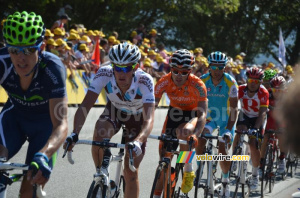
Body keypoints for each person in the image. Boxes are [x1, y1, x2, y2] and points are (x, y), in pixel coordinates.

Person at [64, 42, 155, 198]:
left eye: (126, 68)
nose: (121, 73)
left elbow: (149, 119)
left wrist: (139, 141)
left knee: (130, 173)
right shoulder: (104, 73)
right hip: (115, 111)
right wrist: (74, 133)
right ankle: (102, 175)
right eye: (117, 67)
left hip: (138, 119)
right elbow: (85, 105)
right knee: (99, 131)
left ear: (135, 67)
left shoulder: (145, 80)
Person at [0, 11, 68, 197]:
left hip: (45, 125)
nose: (21, 58)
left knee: (29, 187)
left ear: (41, 47)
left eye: (29, 50)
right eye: (14, 50)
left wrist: (44, 154)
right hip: (14, 117)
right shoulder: (2, 62)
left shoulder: (53, 69)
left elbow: (61, 124)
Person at [154, 49, 208, 196]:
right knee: (164, 159)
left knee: (185, 133)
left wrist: (196, 134)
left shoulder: (198, 84)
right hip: (174, 113)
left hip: (192, 113)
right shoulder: (164, 81)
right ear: (170, 68)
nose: (179, 75)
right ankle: (158, 192)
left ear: (190, 71)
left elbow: (202, 113)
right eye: (175, 71)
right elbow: (151, 107)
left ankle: (188, 168)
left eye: (184, 72)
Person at [200, 51, 239, 197]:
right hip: (210, 118)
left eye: (220, 67)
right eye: (214, 67)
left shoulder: (231, 82)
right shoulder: (202, 80)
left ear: (225, 67)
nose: (217, 71)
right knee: (200, 140)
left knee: (222, 148)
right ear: (209, 67)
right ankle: (199, 169)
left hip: (226, 119)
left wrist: (229, 130)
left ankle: (225, 180)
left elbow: (234, 109)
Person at [233, 67, 269, 191]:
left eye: (256, 82)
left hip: (258, 118)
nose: (253, 84)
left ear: (260, 82)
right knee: (239, 131)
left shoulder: (263, 92)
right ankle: (235, 158)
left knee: (253, 144)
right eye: (251, 81)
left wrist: (255, 128)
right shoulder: (241, 89)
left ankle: (255, 174)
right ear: (247, 80)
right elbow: (232, 104)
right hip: (245, 114)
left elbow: (263, 113)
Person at [260, 76, 287, 174]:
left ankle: (282, 159)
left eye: (279, 90)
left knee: (281, 135)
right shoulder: (267, 94)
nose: (277, 92)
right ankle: (261, 163)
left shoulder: (287, 96)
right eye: (275, 90)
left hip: (281, 119)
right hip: (270, 118)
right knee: (265, 137)